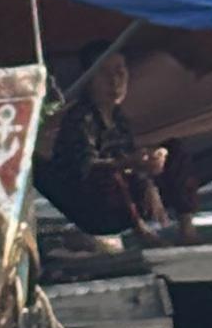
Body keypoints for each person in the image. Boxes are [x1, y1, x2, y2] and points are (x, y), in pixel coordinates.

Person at [40, 51, 199, 240]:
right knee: (109, 173)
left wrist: (150, 175)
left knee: (174, 149)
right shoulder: (80, 118)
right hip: (93, 206)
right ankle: (142, 233)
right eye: (104, 74)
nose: (114, 81)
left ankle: (187, 229)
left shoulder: (118, 118)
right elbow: (86, 168)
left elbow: (130, 158)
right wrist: (129, 163)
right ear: (89, 79)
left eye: (120, 73)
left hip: (128, 195)